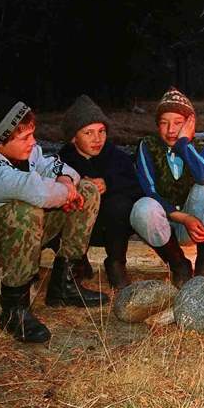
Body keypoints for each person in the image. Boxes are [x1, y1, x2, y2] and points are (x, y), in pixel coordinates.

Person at [0, 97, 106, 343]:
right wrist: (66, 192)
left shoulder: (24, 151)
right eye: (24, 137)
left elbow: (56, 166)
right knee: (25, 210)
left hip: (3, 236)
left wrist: (66, 182)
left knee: (87, 190)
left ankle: (66, 284)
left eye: (32, 134)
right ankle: (14, 310)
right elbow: (36, 192)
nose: (33, 142)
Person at [131, 87, 204, 286]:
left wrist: (183, 144)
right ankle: (179, 265)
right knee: (143, 208)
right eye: (164, 123)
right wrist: (184, 218)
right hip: (164, 228)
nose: (171, 130)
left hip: (195, 230)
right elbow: (149, 190)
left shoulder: (202, 149)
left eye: (178, 123)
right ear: (157, 125)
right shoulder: (148, 146)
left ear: (190, 125)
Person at [59, 95, 143, 290]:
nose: (97, 139)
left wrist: (109, 184)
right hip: (77, 230)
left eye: (101, 131)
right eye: (88, 133)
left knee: (120, 203)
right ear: (73, 137)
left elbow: (137, 189)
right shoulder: (61, 161)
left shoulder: (118, 158)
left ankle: (116, 263)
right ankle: (76, 260)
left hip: (113, 230)